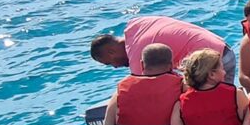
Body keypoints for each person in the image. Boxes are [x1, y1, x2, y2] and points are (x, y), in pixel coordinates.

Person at [91, 15, 232, 78]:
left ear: (111, 51)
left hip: (214, 62)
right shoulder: (136, 25)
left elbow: (143, 90)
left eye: (109, 63)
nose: (115, 67)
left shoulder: (137, 56)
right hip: (224, 48)